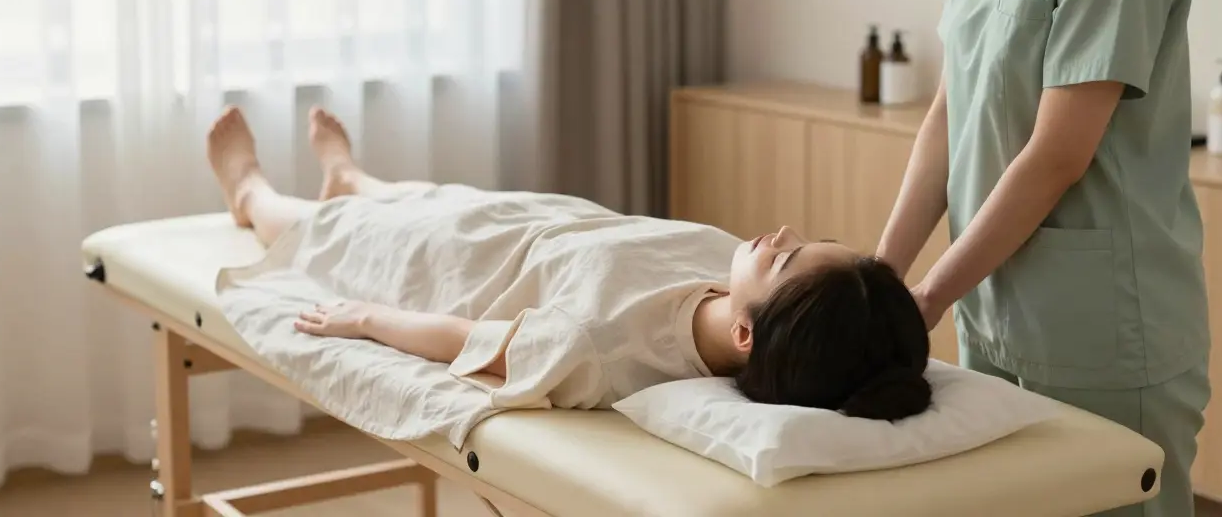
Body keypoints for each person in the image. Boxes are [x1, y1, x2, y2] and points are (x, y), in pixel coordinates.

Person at [877, 0, 1216, 515]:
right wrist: (879, 282)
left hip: (1104, 330)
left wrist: (930, 296)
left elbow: (1059, 153)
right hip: (996, 309)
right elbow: (949, 115)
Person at [207, 105, 933, 428]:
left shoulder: (599, 349)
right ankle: (354, 175)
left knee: (330, 231)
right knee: (428, 197)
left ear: (748, 335)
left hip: (453, 266)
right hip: (523, 224)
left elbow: (470, 340)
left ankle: (251, 190)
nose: (780, 232)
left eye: (789, 257)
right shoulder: (731, 268)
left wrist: (362, 318)